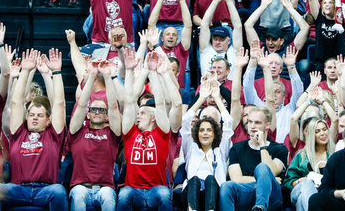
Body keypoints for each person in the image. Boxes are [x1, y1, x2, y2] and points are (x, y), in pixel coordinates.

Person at [0, 48, 68, 211]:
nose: (35, 117)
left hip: (45, 190)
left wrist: (56, 72)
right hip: (19, 190)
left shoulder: (53, 135)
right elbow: (16, 103)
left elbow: (59, 103)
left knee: (59, 191)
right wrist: (26, 70)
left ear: (48, 119)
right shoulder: (18, 133)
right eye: (31, 114)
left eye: (39, 115)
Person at [118, 52, 172, 211]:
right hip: (133, 189)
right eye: (138, 113)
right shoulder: (131, 134)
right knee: (122, 195)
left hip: (156, 188)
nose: (138, 116)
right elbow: (129, 102)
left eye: (142, 113)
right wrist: (129, 72)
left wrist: (153, 72)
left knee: (164, 193)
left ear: (153, 118)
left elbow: (161, 104)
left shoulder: (161, 134)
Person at [67, 59, 121, 211]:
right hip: (80, 187)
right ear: (88, 115)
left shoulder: (112, 134)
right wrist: (91, 76)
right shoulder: (78, 131)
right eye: (94, 110)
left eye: (102, 110)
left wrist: (108, 76)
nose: (97, 112)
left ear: (107, 116)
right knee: (78, 195)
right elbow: (82, 105)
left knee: (108, 197)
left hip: (105, 188)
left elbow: (113, 107)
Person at [180, 74, 233, 211]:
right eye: (202, 130)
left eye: (209, 130)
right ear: (196, 132)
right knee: (194, 180)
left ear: (215, 132)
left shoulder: (221, 148)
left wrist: (216, 97)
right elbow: (186, 120)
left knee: (210, 179)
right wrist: (202, 97)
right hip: (191, 193)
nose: (205, 133)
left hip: (215, 193)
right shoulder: (191, 146)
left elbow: (228, 121)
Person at [219, 105, 288, 211]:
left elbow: (272, 171)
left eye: (257, 122)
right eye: (250, 122)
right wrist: (265, 180)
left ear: (268, 125)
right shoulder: (237, 148)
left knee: (262, 168)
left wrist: (262, 145)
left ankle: (260, 207)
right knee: (226, 186)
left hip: (272, 196)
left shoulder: (280, 149)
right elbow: (236, 179)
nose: (252, 126)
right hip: (247, 192)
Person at [284, 117, 335, 211]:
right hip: (300, 189)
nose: (323, 133)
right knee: (307, 184)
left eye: (325, 129)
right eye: (317, 131)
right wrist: (300, 181)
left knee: (301, 200)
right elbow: (288, 182)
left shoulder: (335, 153)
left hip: (324, 194)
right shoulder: (301, 155)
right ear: (312, 135)